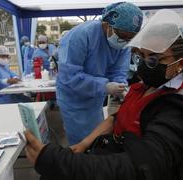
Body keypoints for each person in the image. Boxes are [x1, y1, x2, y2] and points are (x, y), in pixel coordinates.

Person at [24, 9, 183, 180]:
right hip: (116, 145)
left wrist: (57, 160)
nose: (145, 65)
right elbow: (116, 118)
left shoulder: (180, 110)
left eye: (153, 59)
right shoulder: (144, 86)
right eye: (141, 57)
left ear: (180, 64)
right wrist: (83, 144)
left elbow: (139, 167)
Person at [56, 2, 143, 145]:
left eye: (130, 38)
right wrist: (104, 86)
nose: (125, 41)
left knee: (96, 139)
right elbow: (69, 77)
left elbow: (119, 71)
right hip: (74, 101)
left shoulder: (123, 44)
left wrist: (121, 86)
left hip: (95, 100)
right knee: (80, 144)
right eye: (122, 35)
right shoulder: (81, 36)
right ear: (107, 24)